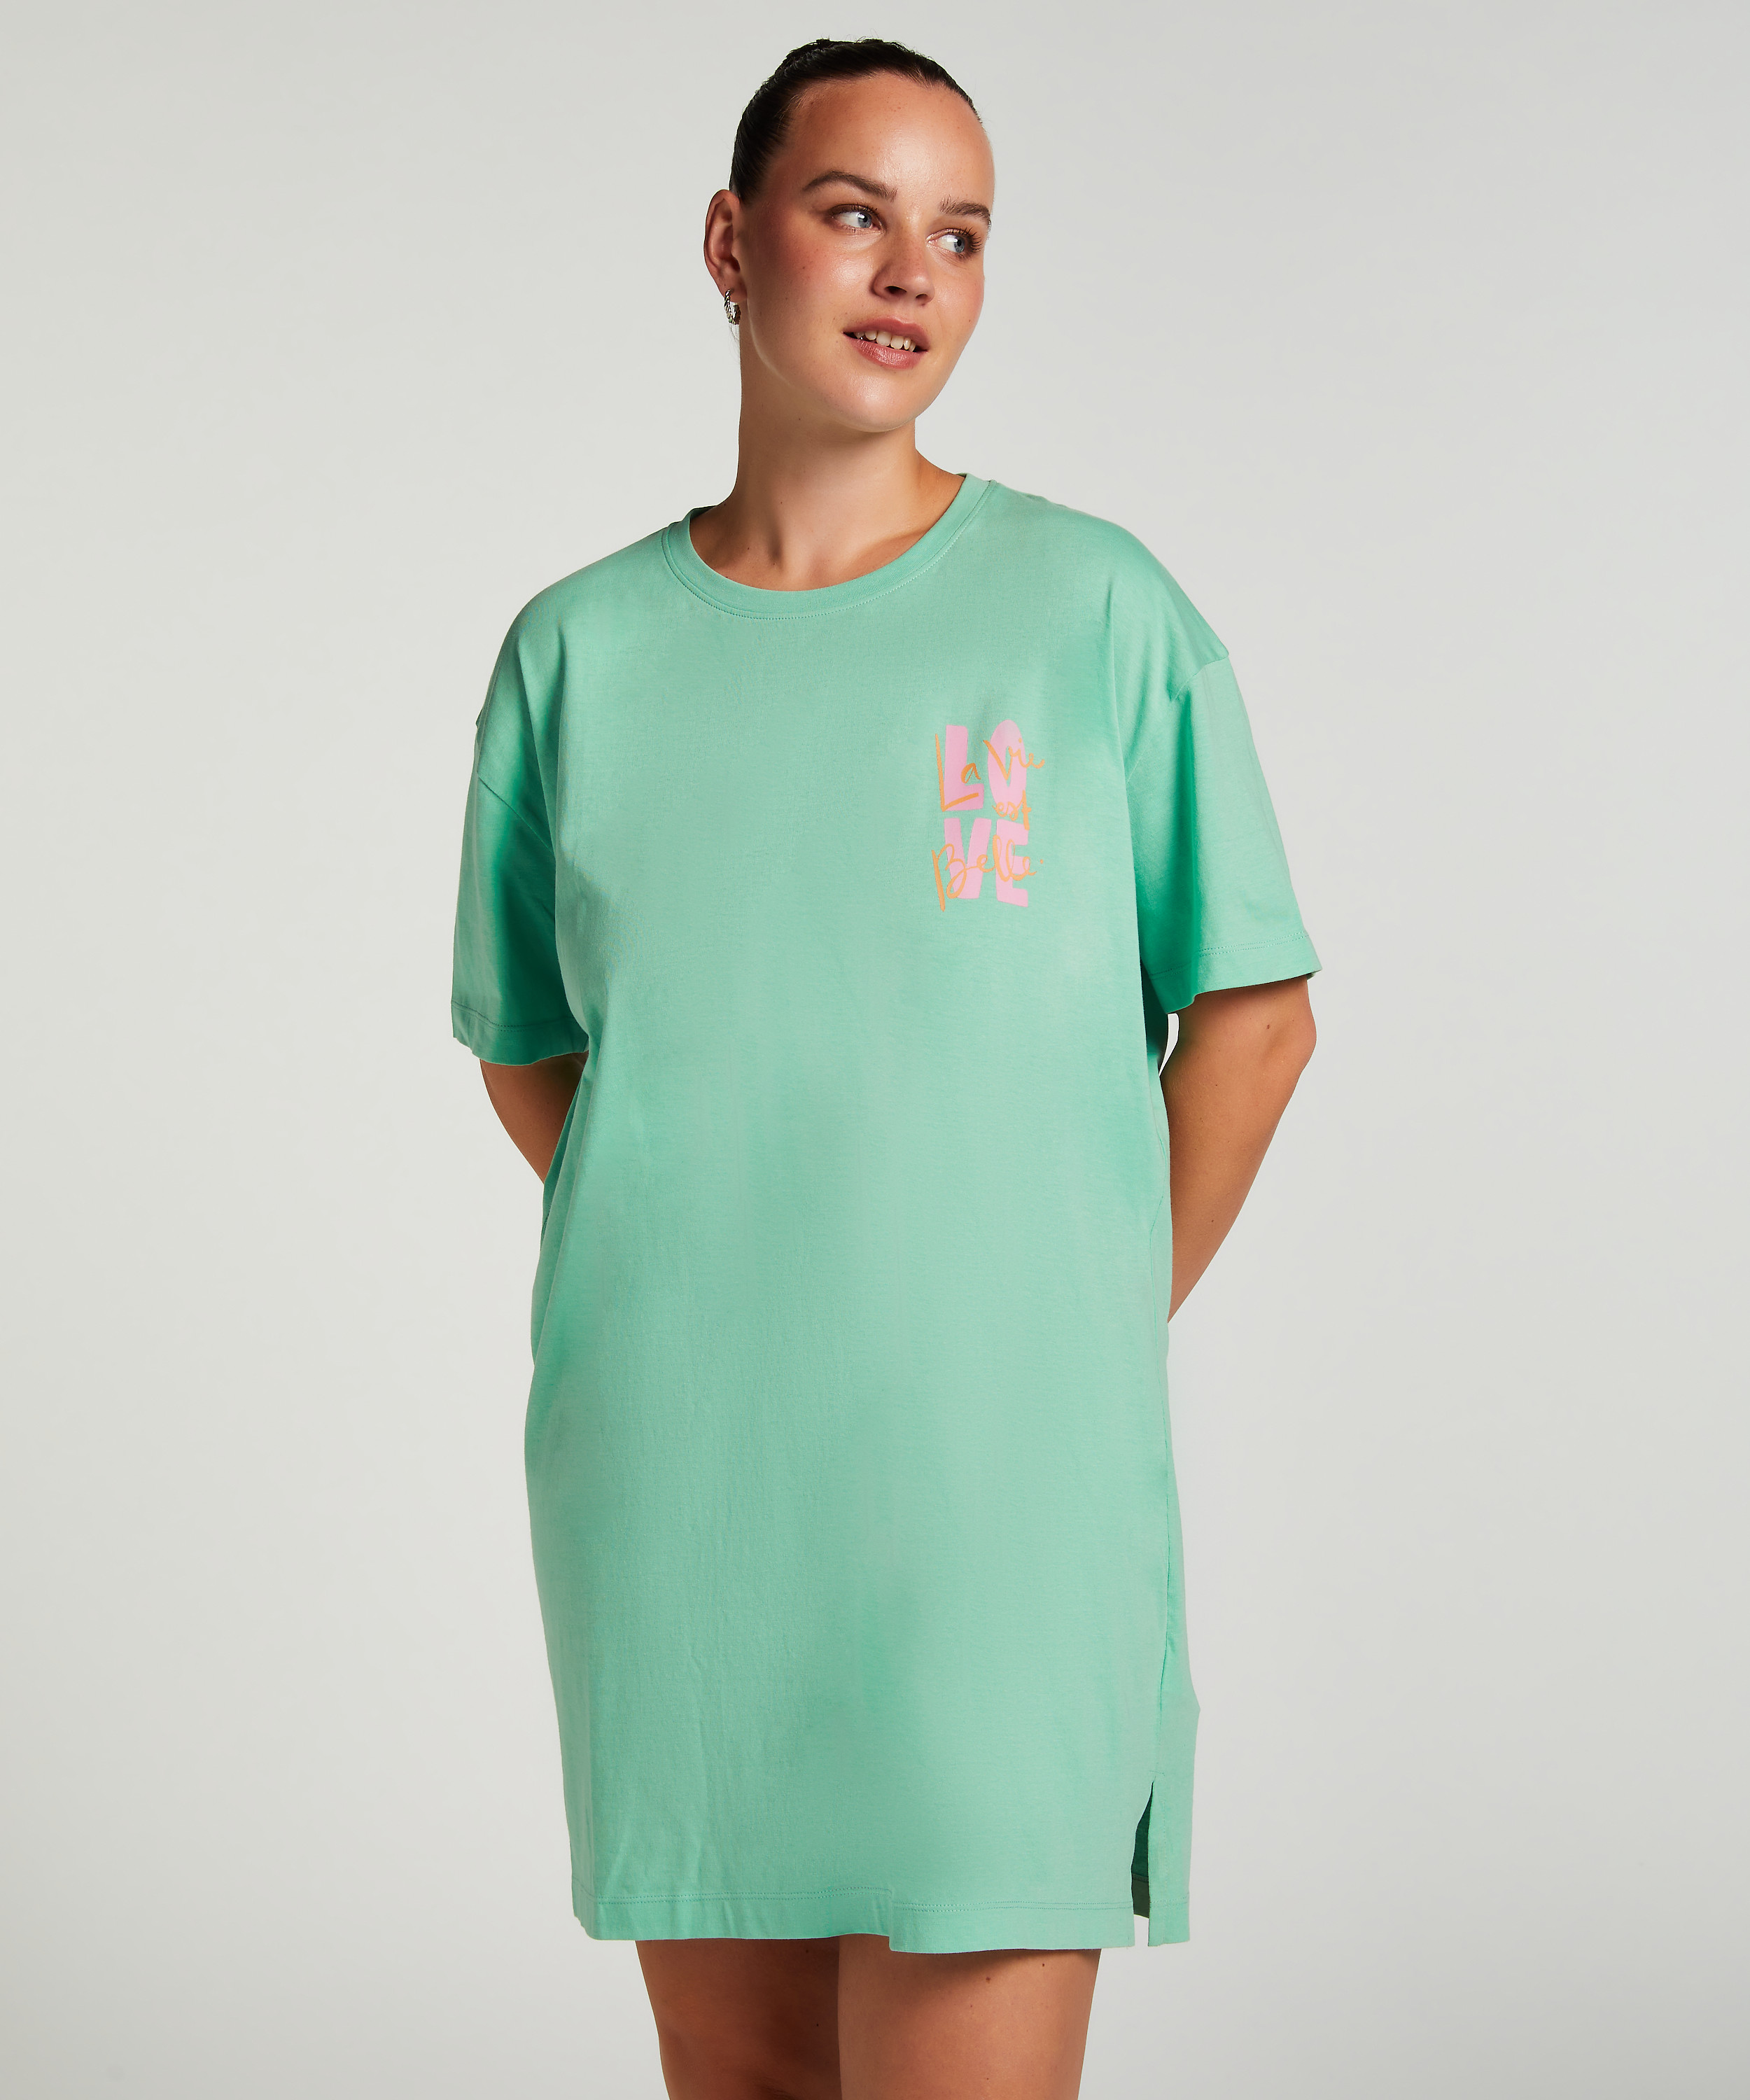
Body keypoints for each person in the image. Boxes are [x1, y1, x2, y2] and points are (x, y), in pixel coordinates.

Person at [450, 36, 1320, 2100]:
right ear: (730, 242)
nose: (912, 270)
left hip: (1000, 1495)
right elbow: (538, 1051)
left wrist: (1071, 1311)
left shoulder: (1092, 612)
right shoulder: (577, 654)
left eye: (962, 233)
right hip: (682, 1498)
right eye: (856, 213)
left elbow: (1257, 1015)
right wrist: (715, 1260)